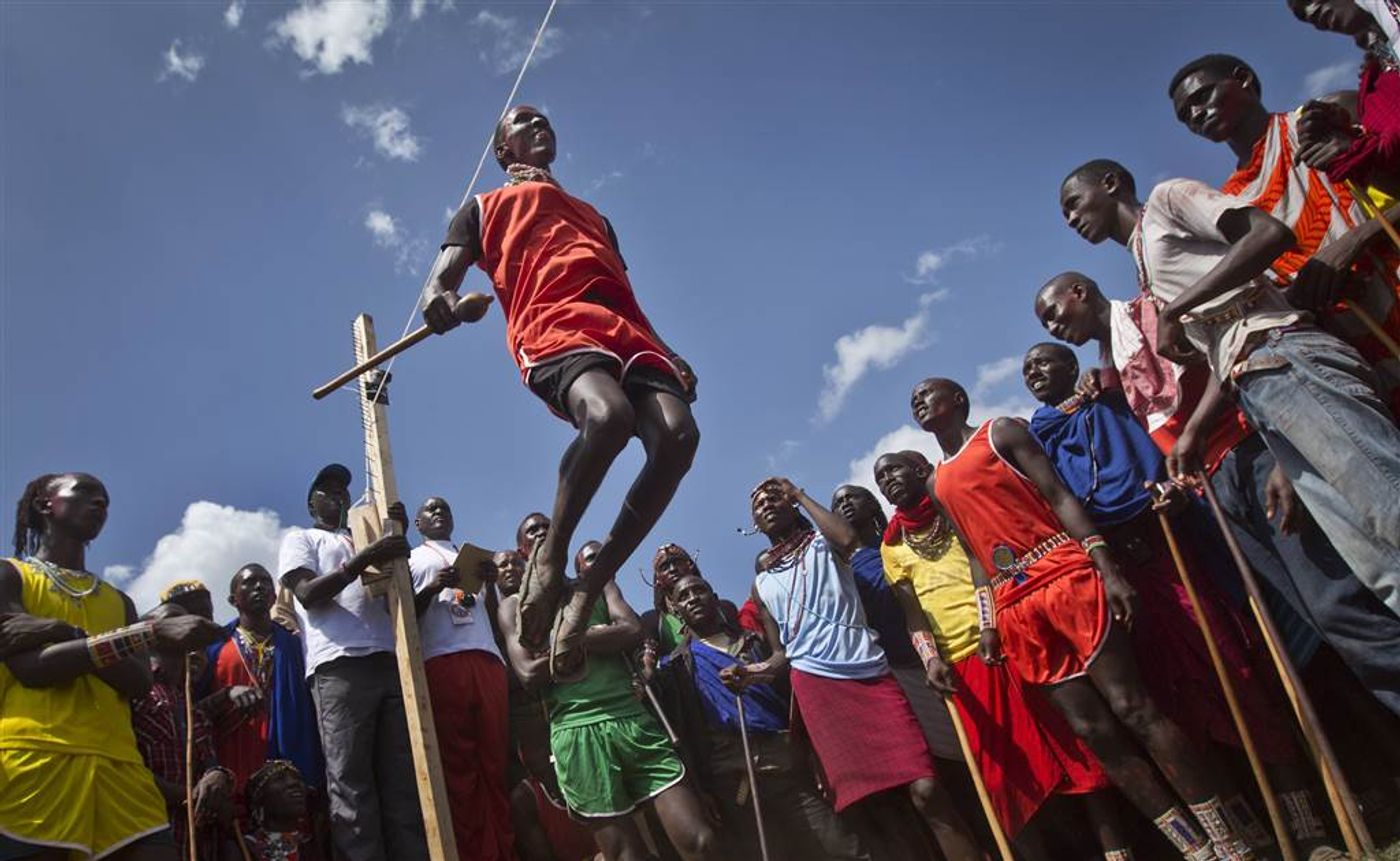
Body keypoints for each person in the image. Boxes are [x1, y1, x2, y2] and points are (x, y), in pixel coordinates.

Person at [911, 378, 1259, 861]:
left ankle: (1231, 841)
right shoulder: (936, 480)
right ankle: (1195, 849)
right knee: (1093, 731)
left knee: (1133, 707)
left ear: (959, 401)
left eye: (929, 393)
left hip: (1062, 571)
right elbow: (973, 554)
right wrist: (988, 621)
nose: (919, 402)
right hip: (1014, 602)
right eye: (914, 401)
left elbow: (1058, 496)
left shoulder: (1002, 433)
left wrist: (1105, 564)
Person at [1034, 272, 1400, 716]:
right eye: (1045, 325)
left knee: (1340, 606)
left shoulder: (1151, 315)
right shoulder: (1108, 362)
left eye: (1054, 314)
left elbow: (1226, 361)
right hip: (1214, 485)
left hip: (1249, 454)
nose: (1054, 327)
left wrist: (1278, 450)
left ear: (1080, 292)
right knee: (1315, 619)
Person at [422, 104, 700, 680]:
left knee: (678, 436)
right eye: (523, 122)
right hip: (551, 325)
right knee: (608, 417)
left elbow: (625, 290)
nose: (539, 125)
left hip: (627, 332)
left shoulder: (595, 216)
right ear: (503, 151)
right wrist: (441, 300)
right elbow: (439, 283)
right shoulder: (483, 208)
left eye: (544, 120)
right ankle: (551, 557)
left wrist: (667, 348)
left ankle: (586, 591)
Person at [1021, 343, 1335, 852]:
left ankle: (1309, 825)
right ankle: (1251, 834)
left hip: (1170, 546)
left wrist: (1168, 483)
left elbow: (1156, 435)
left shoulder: (1113, 396)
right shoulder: (1038, 436)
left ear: (1072, 366)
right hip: (1120, 576)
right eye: (1027, 368)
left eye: (1044, 360)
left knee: (1237, 673)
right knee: (1181, 704)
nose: (1034, 372)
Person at [1060, 159, 1400, 618]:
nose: (1072, 220)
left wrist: (1174, 310)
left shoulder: (1165, 201)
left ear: (1111, 183)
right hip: (1253, 383)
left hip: (1279, 351)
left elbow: (1270, 233)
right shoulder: (1144, 263)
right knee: (1376, 562)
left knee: (1386, 503)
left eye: (1074, 204)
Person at [866, 454, 1124, 860]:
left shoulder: (952, 504)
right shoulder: (892, 545)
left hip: (1007, 638)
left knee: (1073, 754)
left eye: (893, 469)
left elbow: (980, 563)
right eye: (880, 477)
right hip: (961, 667)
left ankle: (1117, 851)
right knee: (1010, 785)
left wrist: (989, 626)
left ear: (919, 470)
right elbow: (913, 615)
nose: (887, 479)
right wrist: (931, 658)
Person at [731, 478, 983, 861]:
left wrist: (799, 493)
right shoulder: (761, 584)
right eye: (758, 504)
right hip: (818, 691)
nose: (766, 504)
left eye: (774, 497)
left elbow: (850, 540)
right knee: (879, 811)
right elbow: (783, 654)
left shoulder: (824, 544)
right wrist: (754, 672)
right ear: (754, 524)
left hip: (870, 674)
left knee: (927, 790)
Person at [0, 471, 227, 861]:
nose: (100, 504)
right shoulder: (10, 575)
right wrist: (134, 638)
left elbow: (138, 681)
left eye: (105, 499)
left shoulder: (118, 601)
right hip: (36, 759)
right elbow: (31, 669)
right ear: (45, 505)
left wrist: (62, 635)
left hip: (121, 767)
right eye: (85, 493)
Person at [1165, 52, 1400, 416]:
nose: (1196, 115)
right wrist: (1304, 293)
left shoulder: (1322, 119)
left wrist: (1354, 242)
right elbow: (1273, 291)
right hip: (1360, 347)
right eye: (1185, 116)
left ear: (1243, 78)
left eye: (1203, 97)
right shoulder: (1230, 203)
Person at [497, 538, 717, 861]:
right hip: (575, 732)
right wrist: (601, 636)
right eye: (534, 535)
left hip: (630, 718)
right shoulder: (515, 606)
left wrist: (571, 640)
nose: (545, 536)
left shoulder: (595, 585)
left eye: (551, 530)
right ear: (525, 554)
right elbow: (528, 674)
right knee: (625, 855)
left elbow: (631, 630)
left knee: (701, 840)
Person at [652, 570, 871, 861]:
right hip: (733, 784)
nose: (693, 598)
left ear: (714, 598)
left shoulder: (756, 643)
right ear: (676, 611)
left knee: (841, 848)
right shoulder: (675, 667)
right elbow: (682, 733)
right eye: (683, 596)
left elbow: (792, 694)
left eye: (698, 590)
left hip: (787, 768)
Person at [277, 463, 428, 861]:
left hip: (390, 660)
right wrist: (363, 559)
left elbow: (405, 599)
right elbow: (308, 594)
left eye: (343, 492)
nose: (338, 497)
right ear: (312, 502)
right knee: (352, 785)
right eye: (327, 491)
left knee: (404, 783)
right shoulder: (302, 539)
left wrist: (396, 539)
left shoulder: (363, 536)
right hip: (339, 667)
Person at [408, 496, 514, 861]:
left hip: (486, 658)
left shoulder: (474, 556)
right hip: (442, 659)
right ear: (417, 524)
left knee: (495, 763)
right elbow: (403, 615)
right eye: (430, 509)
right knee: (459, 766)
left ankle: (504, 850)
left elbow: (492, 616)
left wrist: (492, 583)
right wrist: (433, 587)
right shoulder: (411, 559)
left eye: (445, 508)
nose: (439, 512)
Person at [828, 484, 963, 762]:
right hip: (905, 670)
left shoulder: (901, 541)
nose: (845, 504)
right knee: (950, 752)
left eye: (853, 497)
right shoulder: (840, 573)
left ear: (873, 505)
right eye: (838, 503)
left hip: (950, 648)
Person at [494, 547, 600, 861]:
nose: (511, 567)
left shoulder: (555, 605)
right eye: (502, 565)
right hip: (530, 718)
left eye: (516, 562)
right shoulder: (495, 615)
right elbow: (526, 672)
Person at [203, 564, 322, 808]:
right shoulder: (214, 647)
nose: (259, 586)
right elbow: (196, 710)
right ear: (232, 599)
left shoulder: (298, 645)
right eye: (249, 582)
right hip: (235, 757)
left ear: (274, 596)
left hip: (291, 764)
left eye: (265, 581)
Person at [131, 603, 235, 859]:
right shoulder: (134, 691)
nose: (186, 625)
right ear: (148, 631)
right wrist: (190, 796)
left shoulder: (193, 708)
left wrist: (218, 777)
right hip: (150, 835)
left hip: (199, 843)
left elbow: (210, 764)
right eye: (173, 619)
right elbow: (127, 768)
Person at [240, 760, 312, 861]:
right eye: (279, 779)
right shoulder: (242, 848)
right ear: (259, 800)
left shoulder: (316, 845)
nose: (294, 783)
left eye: (298, 778)